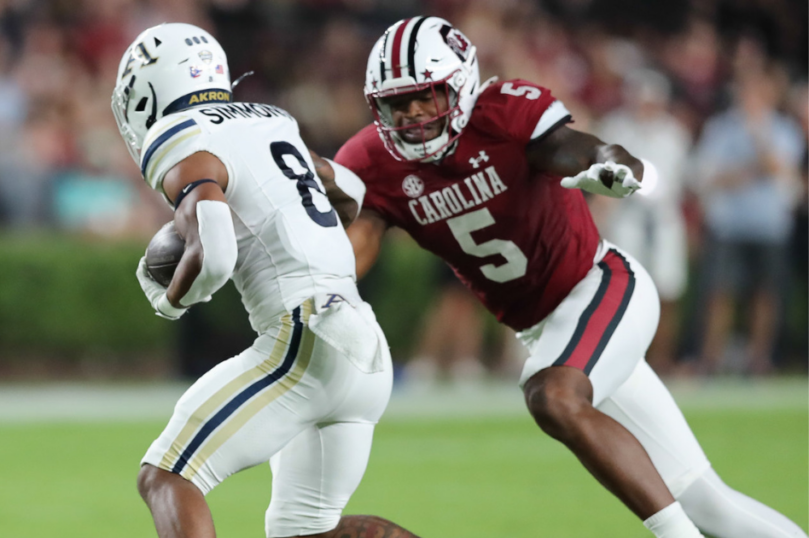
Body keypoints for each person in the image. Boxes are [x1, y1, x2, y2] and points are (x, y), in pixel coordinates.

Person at [321, 16, 807, 538]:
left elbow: (568, 147)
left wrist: (605, 162)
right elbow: (361, 237)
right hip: (549, 330)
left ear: (459, 87)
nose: (412, 115)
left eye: (427, 97)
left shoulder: (503, 112)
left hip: (600, 284)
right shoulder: (372, 161)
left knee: (553, 394)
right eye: (398, 103)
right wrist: (320, 282)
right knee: (711, 506)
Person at [113, 23, 419, 538]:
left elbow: (213, 252)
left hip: (305, 338)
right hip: (363, 342)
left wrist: (170, 300)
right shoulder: (270, 120)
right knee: (304, 532)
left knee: (166, 475)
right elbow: (352, 191)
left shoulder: (180, 134)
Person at [693, 62, 804, 376]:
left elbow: (781, 170)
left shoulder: (782, 128)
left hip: (769, 224)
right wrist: (749, 170)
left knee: (766, 294)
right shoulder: (720, 127)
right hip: (729, 223)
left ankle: (759, 360)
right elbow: (708, 177)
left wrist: (758, 138)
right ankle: (710, 359)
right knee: (719, 292)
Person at [594, 69, 692, 375]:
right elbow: (600, 181)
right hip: (627, 218)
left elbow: (684, 183)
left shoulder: (675, 132)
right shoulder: (615, 128)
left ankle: (661, 361)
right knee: (622, 291)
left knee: (667, 292)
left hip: (663, 221)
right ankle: (623, 361)